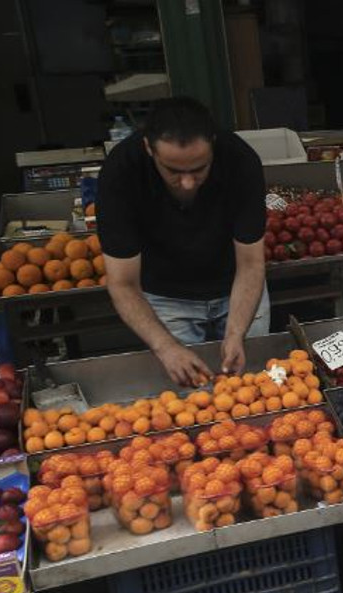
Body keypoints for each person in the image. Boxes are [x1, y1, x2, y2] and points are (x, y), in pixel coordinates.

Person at [97, 96, 270, 387]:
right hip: (165, 298)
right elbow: (122, 282)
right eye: (174, 172)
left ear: (213, 144)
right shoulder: (121, 173)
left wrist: (237, 332)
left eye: (199, 169)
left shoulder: (240, 161)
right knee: (189, 402)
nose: (188, 182)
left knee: (252, 393)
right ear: (149, 149)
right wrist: (165, 347)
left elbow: (252, 263)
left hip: (236, 289)